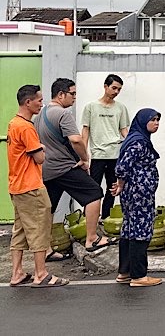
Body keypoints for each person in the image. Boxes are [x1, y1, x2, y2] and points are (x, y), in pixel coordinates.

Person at [35, 78, 113, 253]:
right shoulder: (63, 114)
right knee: (94, 193)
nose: (75, 97)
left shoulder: (39, 116)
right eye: (73, 94)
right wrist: (85, 159)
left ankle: (45, 249)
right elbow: (76, 139)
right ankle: (92, 238)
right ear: (61, 95)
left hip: (46, 169)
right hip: (64, 167)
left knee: (49, 208)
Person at [7, 84, 69, 287]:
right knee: (40, 229)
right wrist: (42, 147)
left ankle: (16, 272)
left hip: (16, 185)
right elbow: (40, 158)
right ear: (28, 102)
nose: (42, 104)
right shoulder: (26, 127)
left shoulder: (13, 123)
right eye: (39, 100)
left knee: (21, 230)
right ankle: (41, 273)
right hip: (31, 186)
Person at [110, 108, 162, 287]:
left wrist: (122, 184)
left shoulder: (136, 139)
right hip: (140, 193)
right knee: (141, 230)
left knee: (129, 229)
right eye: (153, 119)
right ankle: (139, 275)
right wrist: (121, 183)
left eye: (157, 120)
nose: (156, 123)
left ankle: (125, 272)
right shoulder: (139, 142)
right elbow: (122, 166)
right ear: (142, 121)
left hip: (135, 191)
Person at [82, 74, 129, 220]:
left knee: (113, 187)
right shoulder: (91, 107)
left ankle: (106, 217)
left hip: (115, 154)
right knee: (93, 188)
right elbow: (85, 131)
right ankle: (89, 219)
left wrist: (132, 145)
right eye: (114, 88)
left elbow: (124, 130)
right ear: (105, 86)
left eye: (119, 89)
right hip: (97, 155)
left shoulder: (121, 108)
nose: (116, 91)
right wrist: (83, 155)